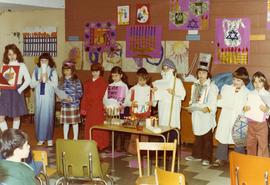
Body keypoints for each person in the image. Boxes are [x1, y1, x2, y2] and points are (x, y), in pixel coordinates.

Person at [213, 67, 250, 167]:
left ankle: (239, 159)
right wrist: (218, 99)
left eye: (238, 80)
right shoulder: (226, 88)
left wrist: (246, 108)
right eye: (234, 79)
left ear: (244, 81)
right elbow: (220, 103)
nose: (235, 82)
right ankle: (221, 158)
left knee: (238, 139)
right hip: (226, 115)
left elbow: (248, 106)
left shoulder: (247, 93)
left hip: (239, 117)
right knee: (223, 136)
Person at [185, 60, 218, 166]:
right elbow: (192, 99)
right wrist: (191, 106)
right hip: (197, 114)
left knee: (207, 137)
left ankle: (207, 157)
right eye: (199, 73)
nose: (201, 75)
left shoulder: (212, 86)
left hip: (206, 114)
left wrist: (208, 109)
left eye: (204, 73)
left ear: (208, 74)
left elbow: (213, 102)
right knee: (198, 135)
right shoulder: (194, 85)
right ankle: (196, 155)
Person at [0, 44, 31, 131]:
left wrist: (20, 90)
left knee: (16, 116)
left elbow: (28, 80)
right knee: (1, 117)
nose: (12, 56)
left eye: (14, 54)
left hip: (16, 92)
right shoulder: (4, 65)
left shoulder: (22, 65)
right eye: (9, 54)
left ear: (17, 54)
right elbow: (2, 81)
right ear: (6, 55)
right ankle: (7, 135)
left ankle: (14, 136)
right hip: (5, 92)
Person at [30, 52, 58, 146]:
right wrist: (39, 80)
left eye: (45, 60)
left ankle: (49, 138)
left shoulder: (53, 70)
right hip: (39, 97)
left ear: (49, 61)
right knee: (39, 116)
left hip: (48, 97)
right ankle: (41, 138)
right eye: (42, 60)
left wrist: (47, 79)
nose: (43, 62)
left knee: (48, 116)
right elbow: (31, 84)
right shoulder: (36, 70)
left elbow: (55, 85)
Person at [152, 58, 186, 132]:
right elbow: (155, 101)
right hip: (163, 109)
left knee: (172, 129)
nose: (165, 71)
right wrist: (154, 92)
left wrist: (174, 93)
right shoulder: (160, 82)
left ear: (172, 70)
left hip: (173, 110)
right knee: (163, 129)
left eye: (167, 69)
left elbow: (183, 94)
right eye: (164, 69)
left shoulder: (177, 81)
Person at [81, 63, 109, 150]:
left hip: (99, 107)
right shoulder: (87, 83)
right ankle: (89, 143)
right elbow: (85, 96)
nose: (95, 73)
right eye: (93, 71)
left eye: (96, 71)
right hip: (90, 108)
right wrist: (83, 108)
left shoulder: (104, 82)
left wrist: (106, 107)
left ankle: (100, 144)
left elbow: (106, 97)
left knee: (99, 126)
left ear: (100, 72)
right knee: (89, 125)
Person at [126, 68, 152, 154]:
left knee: (144, 132)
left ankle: (144, 151)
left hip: (145, 112)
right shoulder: (133, 89)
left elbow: (154, 100)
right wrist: (131, 103)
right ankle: (133, 151)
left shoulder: (149, 89)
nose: (142, 82)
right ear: (137, 78)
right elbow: (126, 100)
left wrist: (152, 102)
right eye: (140, 80)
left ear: (147, 79)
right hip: (135, 112)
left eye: (144, 80)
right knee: (134, 132)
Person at [244, 72, 270, 157]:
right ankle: (251, 163)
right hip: (251, 123)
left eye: (260, 81)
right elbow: (245, 108)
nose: (257, 84)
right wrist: (245, 109)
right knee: (250, 144)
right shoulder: (250, 94)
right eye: (255, 82)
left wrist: (266, 109)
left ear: (264, 82)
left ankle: (263, 165)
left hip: (261, 124)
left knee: (263, 145)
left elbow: (269, 110)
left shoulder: (267, 94)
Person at [103, 66, 129, 151]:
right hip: (112, 110)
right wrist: (105, 105)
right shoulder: (110, 86)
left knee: (121, 128)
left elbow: (128, 99)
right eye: (113, 76)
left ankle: (121, 146)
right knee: (112, 127)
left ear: (121, 75)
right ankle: (112, 145)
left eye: (116, 75)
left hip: (121, 110)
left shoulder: (124, 86)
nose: (114, 78)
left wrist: (123, 105)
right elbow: (105, 98)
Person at [59, 60, 83, 140]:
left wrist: (72, 98)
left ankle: (75, 138)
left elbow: (80, 92)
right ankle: (65, 138)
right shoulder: (61, 80)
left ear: (72, 70)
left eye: (68, 70)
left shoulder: (76, 80)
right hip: (64, 105)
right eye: (64, 70)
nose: (66, 72)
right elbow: (59, 91)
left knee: (74, 122)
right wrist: (60, 97)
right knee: (66, 122)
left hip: (74, 105)